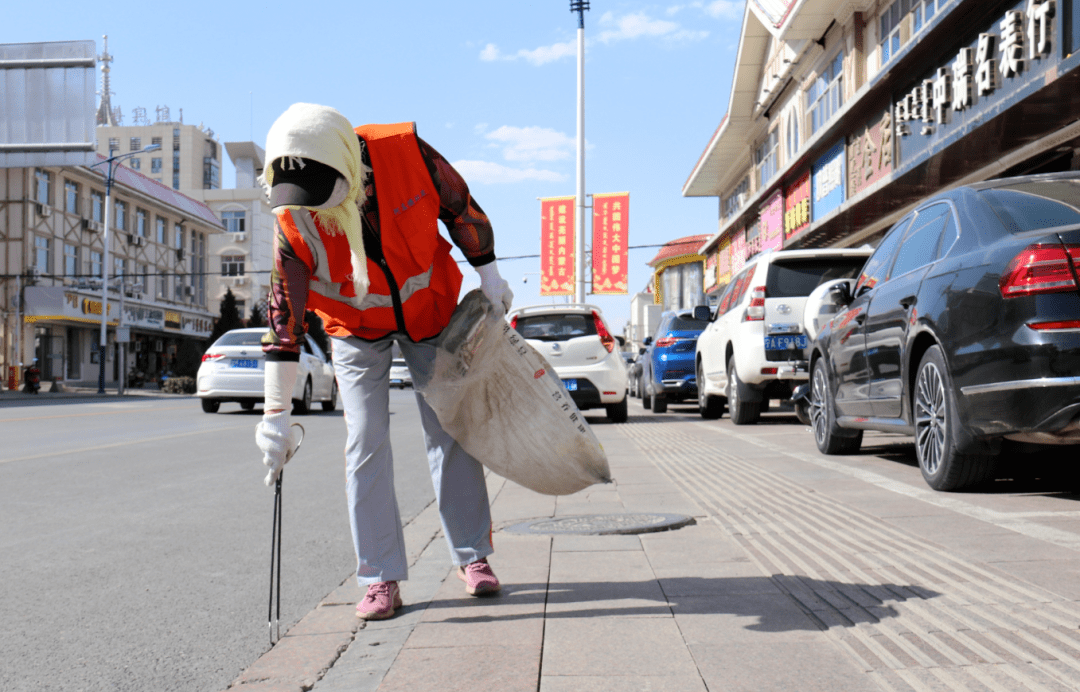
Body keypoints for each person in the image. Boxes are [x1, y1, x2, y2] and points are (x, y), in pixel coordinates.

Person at [254, 103, 513, 621]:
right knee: (364, 439)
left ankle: (473, 557)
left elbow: (462, 209)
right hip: (354, 328)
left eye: (318, 201)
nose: (309, 213)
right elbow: (285, 321)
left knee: (450, 430)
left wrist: (489, 275)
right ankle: (379, 577)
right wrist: (275, 416)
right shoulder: (292, 222)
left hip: (428, 313)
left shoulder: (405, 153)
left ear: (347, 169)